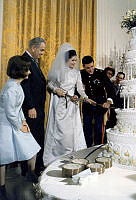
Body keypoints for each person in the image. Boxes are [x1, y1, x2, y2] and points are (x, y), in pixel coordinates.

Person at [43, 43, 94, 166]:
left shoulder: (76, 73)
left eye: (76, 60)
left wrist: (84, 97)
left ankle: (72, 154)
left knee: (72, 131)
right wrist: (56, 90)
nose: (74, 63)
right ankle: (57, 154)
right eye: (72, 60)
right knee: (61, 131)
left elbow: (80, 88)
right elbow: (50, 84)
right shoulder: (58, 71)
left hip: (72, 104)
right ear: (66, 59)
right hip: (59, 103)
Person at [0, 56, 41, 200]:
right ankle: (2, 188)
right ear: (19, 71)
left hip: (15, 121)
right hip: (5, 124)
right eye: (27, 69)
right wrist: (19, 126)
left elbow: (18, 109)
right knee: (3, 158)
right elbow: (10, 113)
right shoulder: (11, 89)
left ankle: (31, 174)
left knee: (33, 148)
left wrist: (24, 122)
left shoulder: (17, 85)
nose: (29, 72)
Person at [21, 37, 46, 176]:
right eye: (41, 50)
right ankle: (31, 170)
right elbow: (25, 86)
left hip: (38, 108)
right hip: (32, 109)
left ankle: (37, 167)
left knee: (37, 136)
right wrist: (30, 106)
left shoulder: (34, 61)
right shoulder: (24, 60)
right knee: (32, 138)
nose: (43, 53)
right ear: (33, 48)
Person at [81, 56, 112, 148]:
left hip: (100, 106)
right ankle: (87, 149)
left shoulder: (101, 73)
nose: (91, 70)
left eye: (92, 66)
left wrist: (108, 101)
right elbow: (77, 89)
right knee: (87, 129)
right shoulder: (80, 74)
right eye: (88, 68)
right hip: (87, 106)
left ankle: (98, 149)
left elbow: (110, 88)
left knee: (99, 129)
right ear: (83, 66)